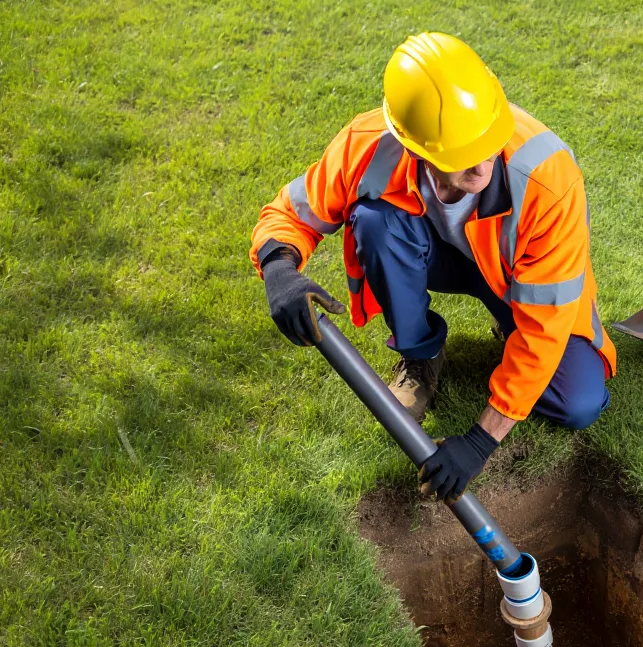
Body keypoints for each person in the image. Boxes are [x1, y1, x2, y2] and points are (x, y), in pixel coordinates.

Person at [250, 33, 616, 502]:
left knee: (580, 402)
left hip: (515, 280)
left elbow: (548, 324)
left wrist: (481, 441)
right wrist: (279, 268)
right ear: (416, 147)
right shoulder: (370, 146)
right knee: (376, 222)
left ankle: (510, 334)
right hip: (429, 254)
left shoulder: (547, 179)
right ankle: (422, 356)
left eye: (487, 143)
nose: (482, 164)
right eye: (461, 155)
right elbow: (289, 213)